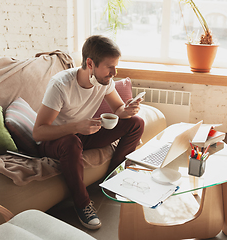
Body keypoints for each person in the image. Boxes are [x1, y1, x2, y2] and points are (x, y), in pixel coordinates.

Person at [32, 35, 144, 230]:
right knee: (71, 142)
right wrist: (76, 127)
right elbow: (38, 133)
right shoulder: (60, 85)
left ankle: (113, 179)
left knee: (136, 123)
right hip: (57, 140)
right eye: (110, 67)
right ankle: (83, 204)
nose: (114, 72)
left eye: (115, 66)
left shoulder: (104, 82)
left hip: (83, 134)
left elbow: (118, 110)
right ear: (90, 63)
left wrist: (128, 110)